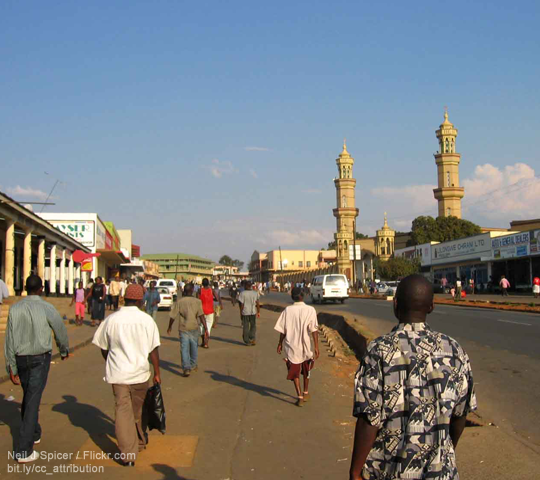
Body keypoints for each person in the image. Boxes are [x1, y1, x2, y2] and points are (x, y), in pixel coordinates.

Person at [349, 274, 476, 480]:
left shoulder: (379, 350)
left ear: (395, 305)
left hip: (389, 471)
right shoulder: (454, 350)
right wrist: (443, 449)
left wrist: (355, 471)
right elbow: (460, 414)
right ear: (431, 307)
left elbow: (369, 419)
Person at [92, 284, 161, 467]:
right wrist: (157, 372)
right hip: (140, 374)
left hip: (119, 374)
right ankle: (135, 446)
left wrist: (110, 360)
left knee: (124, 412)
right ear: (139, 300)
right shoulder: (146, 321)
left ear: (125, 298)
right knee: (136, 411)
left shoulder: (111, 320)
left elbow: (102, 346)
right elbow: (153, 350)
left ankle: (131, 450)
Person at [4, 275, 69, 463]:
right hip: (40, 359)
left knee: (30, 395)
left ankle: (34, 432)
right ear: (41, 288)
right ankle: (23, 450)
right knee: (33, 399)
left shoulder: (15, 309)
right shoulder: (47, 307)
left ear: (25, 288)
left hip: (20, 358)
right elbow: (60, 330)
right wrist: (64, 349)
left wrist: (11, 366)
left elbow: (9, 339)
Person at [274, 287, 320, 407]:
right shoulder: (310, 310)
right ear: (303, 296)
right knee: (306, 369)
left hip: (291, 345)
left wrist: (280, 343)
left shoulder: (287, 310)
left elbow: (283, 330)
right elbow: (314, 330)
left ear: (292, 297)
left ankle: (299, 395)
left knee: (294, 370)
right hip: (305, 345)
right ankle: (305, 392)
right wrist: (316, 346)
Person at [167, 283, 208, 377]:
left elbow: (173, 316)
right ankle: (193, 365)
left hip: (183, 328)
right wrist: (205, 328)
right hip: (194, 327)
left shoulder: (180, 302)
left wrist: (169, 327)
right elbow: (201, 316)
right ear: (192, 290)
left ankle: (186, 368)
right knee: (194, 347)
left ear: (185, 291)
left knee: (184, 348)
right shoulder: (198, 301)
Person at [238, 281, 260, 346]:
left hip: (245, 312)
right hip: (253, 312)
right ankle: (252, 337)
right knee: (253, 326)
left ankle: (247, 340)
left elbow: (241, 305)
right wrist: (258, 311)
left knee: (246, 326)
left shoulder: (242, 293)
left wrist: (241, 312)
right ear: (250, 286)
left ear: (245, 286)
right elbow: (257, 303)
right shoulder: (255, 293)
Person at [197, 278, 216, 348]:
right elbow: (217, 298)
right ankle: (206, 343)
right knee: (208, 327)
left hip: (201, 311)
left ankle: (203, 342)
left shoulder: (199, 291)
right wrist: (211, 298)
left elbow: (197, 300)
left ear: (202, 283)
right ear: (208, 283)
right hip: (210, 311)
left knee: (202, 326)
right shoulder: (212, 290)